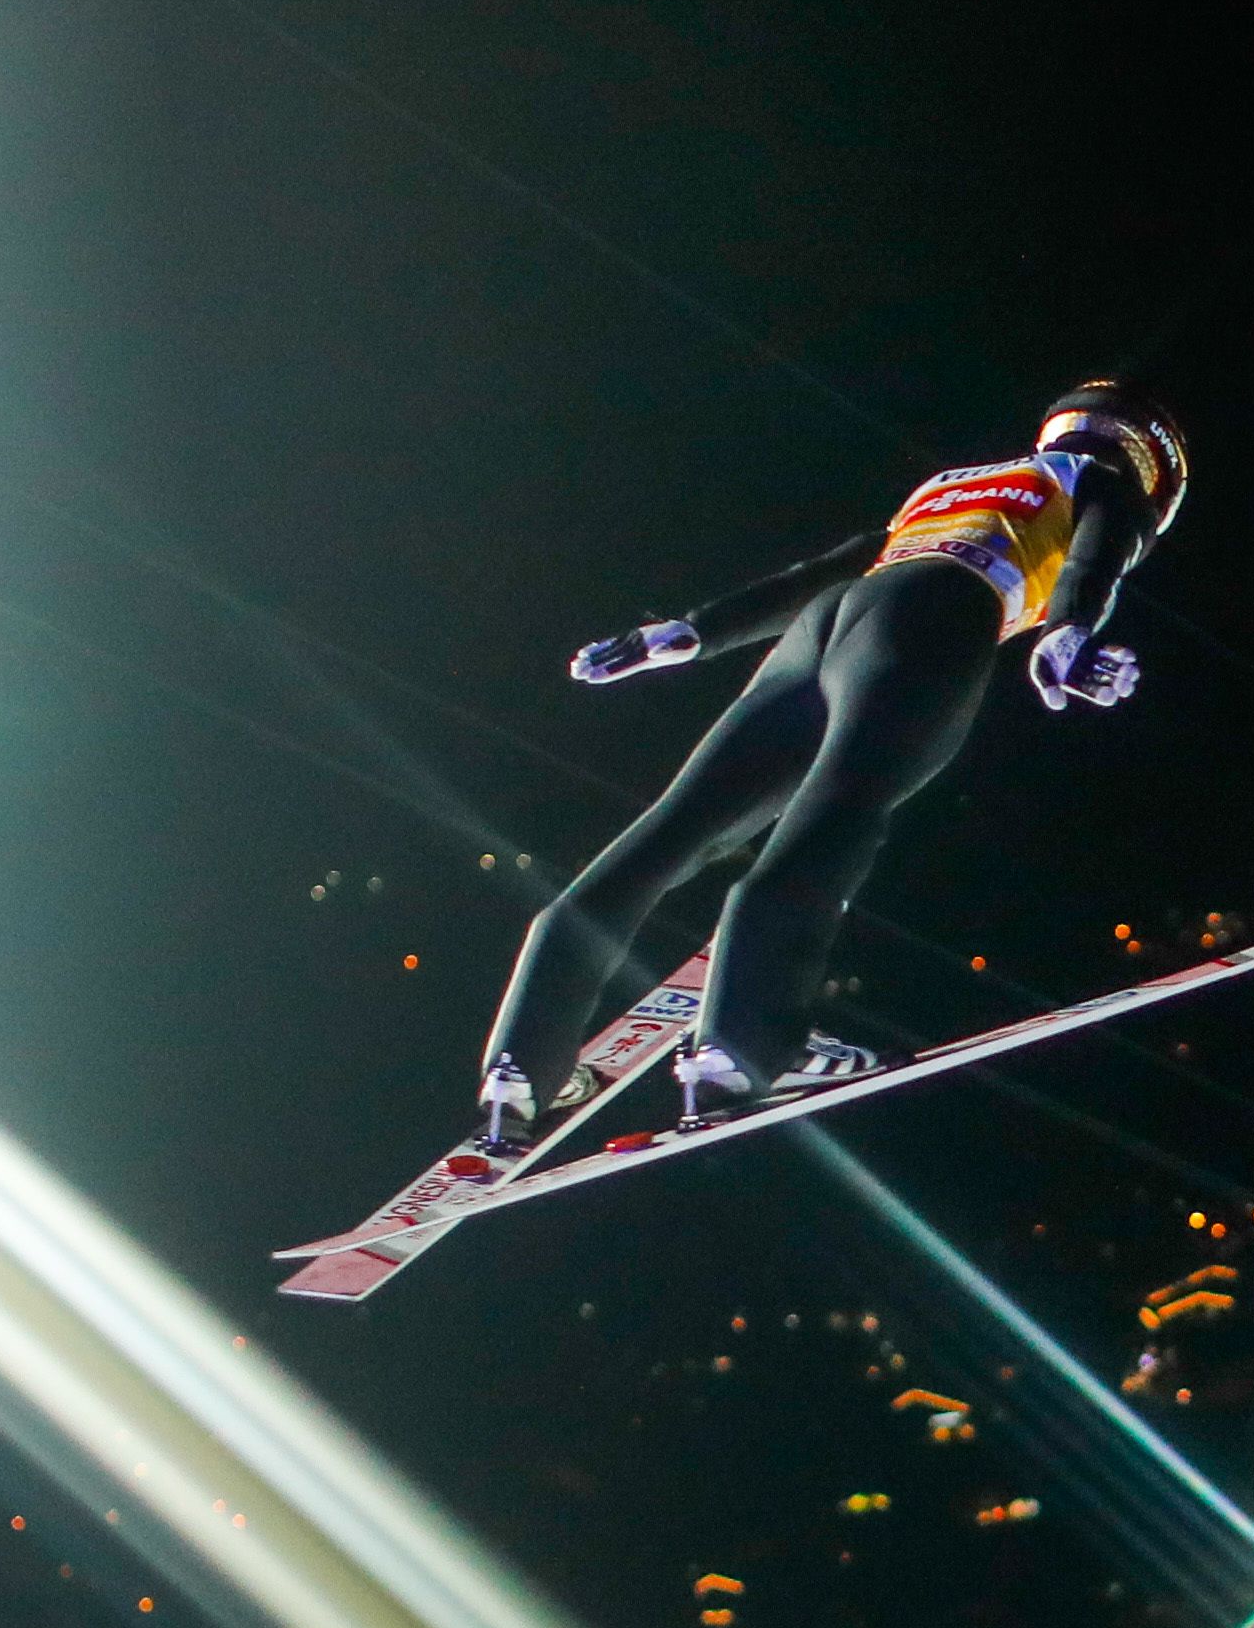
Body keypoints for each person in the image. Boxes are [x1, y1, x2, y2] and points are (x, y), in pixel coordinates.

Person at [469, 382, 1189, 1139]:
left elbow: (824, 572)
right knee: (837, 814)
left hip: (826, 624)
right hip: (938, 613)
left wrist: (686, 634)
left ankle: (522, 1064)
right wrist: (1068, 635)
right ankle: (744, 1047)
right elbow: (1095, 559)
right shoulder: (1103, 483)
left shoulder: (954, 483)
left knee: (678, 829)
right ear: (1149, 462)